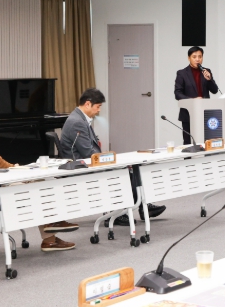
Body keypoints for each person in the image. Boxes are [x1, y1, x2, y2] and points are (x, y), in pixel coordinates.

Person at [0, 85, 75, 252]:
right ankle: (50, 232)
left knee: (38, 181)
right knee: (39, 183)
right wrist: (15, 168)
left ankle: (51, 230)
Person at [60, 88, 166, 226]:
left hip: (88, 163)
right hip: (82, 167)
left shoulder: (80, 118)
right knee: (124, 170)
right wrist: (109, 159)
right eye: (98, 107)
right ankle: (120, 213)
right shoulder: (77, 122)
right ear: (88, 104)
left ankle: (140, 207)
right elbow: (88, 153)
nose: (99, 110)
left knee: (131, 168)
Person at [174, 46, 219, 145]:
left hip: (205, 113)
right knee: (188, 143)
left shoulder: (206, 71)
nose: (197, 59)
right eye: (194, 57)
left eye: (200, 56)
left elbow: (215, 90)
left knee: (207, 141)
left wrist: (209, 79)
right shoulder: (182, 73)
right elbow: (177, 94)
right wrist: (193, 100)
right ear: (189, 58)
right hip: (188, 113)